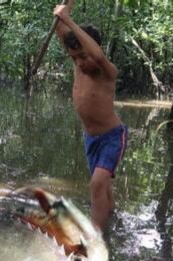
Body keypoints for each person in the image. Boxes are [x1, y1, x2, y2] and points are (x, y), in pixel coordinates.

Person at [53, 2, 127, 229]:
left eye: (83, 57)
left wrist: (69, 20)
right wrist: (62, 12)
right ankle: (111, 216)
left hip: (112, 137)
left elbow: (95, 53)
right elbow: (60, 30)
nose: (80, 62)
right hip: (90, 138)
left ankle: (95, 239)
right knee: (102, 187)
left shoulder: (107, 70)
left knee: (96, 185)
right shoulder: (79, 63)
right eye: (74, 58)